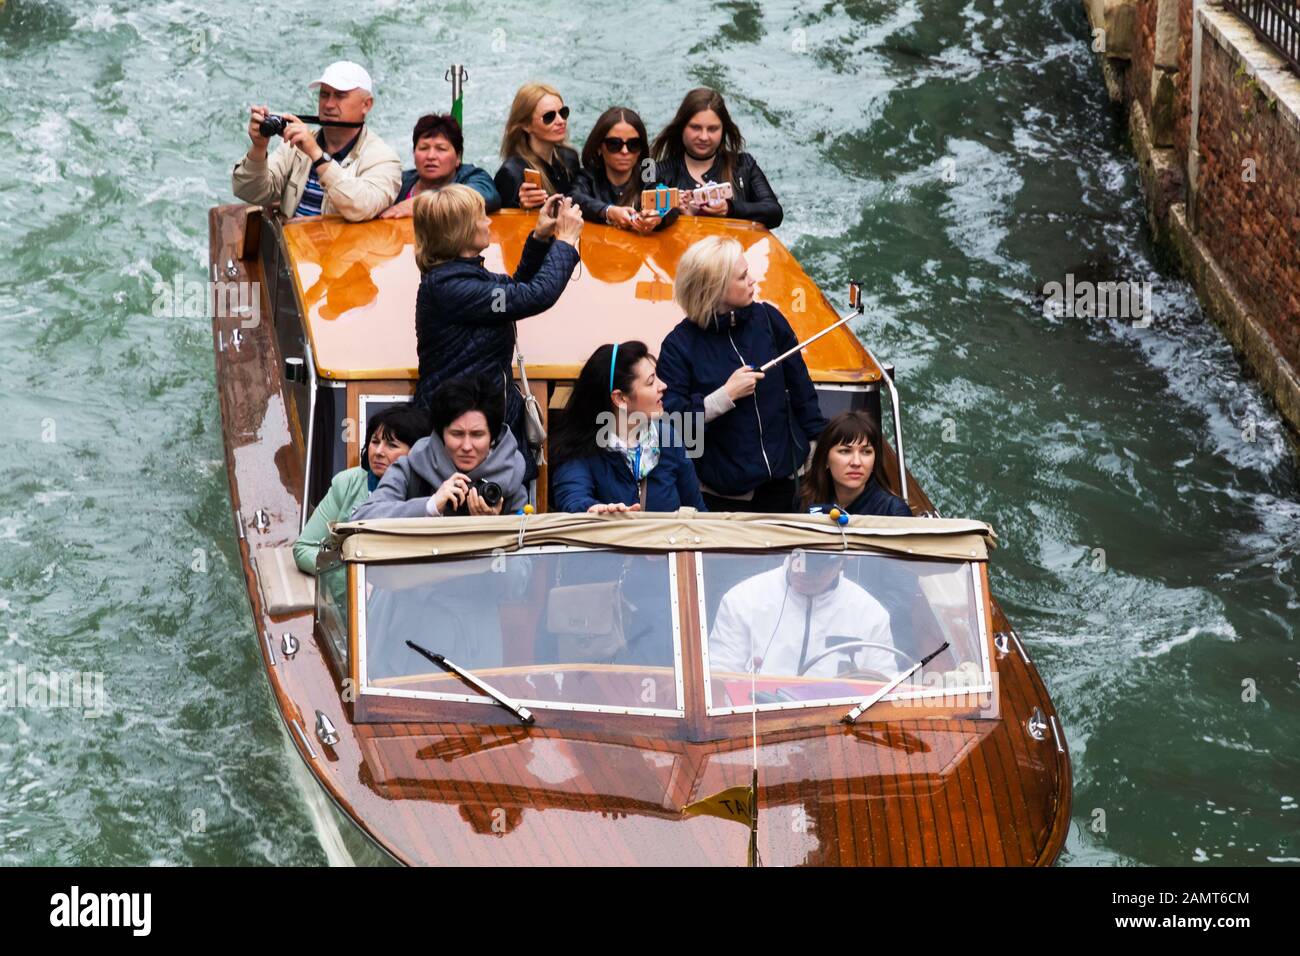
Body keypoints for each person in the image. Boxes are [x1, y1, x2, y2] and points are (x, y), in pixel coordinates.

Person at [411, 184, 583, 477]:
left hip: (481, 419)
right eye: (481, 217)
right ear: (462, 230)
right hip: (463, 431)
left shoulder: (462, 277)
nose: (489, 221)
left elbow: (516, 291)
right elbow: (534, 296)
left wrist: (541, 237)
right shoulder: (450, 288)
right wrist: (565, 241)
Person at [657, 236, 826, 512]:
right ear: (715, 288)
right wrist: (724, 396)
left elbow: (802, 390)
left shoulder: (770, 320)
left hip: (789, 483)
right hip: (725, 497)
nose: (753, 280)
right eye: (743, 276)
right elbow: (673, 429)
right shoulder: (678, 347)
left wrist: (819, 450)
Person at [233, 60, 402, 222]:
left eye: (340, 96)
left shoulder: (384, 158)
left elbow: (361, 207)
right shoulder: (294, 147)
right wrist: (259, 148)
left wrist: (316, 155)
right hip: (291, 249)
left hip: (342, 251)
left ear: (366, 104)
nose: (328, 104)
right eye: (324, 95)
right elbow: (249, 192)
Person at [551, 341, 707, 514]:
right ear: (620, 398)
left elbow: (698, 512)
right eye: (651, 382)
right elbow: (573, 500)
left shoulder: (668, 437)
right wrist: (593, 510)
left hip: (665, 541)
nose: (663, 386)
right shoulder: (578, 448)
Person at [351, 374, 529, 519]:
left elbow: (523, 561)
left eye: (477, 435)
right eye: (457, 434)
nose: (467, 446)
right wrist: (431, 505)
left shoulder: (511, 480)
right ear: (440, 435)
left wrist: (495, 529)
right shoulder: (410, 469)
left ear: (493, 438)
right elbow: (361, 518)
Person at [708, 552, 897, 678]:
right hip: (756, 724)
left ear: (842, 562)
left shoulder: (871, 614)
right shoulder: (742, 599)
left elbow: (884, 685)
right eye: (800, 562)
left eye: (816, 568)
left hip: (838, 729)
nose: (804, 573)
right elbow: (718, 674)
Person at [293, 404, 430, 572]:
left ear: (417, 452)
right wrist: (353, 578)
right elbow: (304, 548)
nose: (379, 451)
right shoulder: (348, 483)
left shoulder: (433, 493)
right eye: (375, 442)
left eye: (392, 445)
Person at [649, 88, 782, 229]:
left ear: (723, 130)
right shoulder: (658, 173)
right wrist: (676, 211)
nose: (703, 137)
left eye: (712, 129)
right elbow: (645, 216)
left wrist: (729, 208)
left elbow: (774, 213)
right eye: (695, 127)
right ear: (681, 128)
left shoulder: (744, 165)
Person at [570, 107, 676, 233]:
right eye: (614, 144)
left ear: (641, 149)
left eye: (633, 144)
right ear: (599, 147)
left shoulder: (648, 174)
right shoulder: (588, 176)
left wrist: (658, 218)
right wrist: (608, 212)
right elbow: (573, 198)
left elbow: (671, 206)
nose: (624, 151)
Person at [380, 112, 501, 218]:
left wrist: (423, 204)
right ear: (413, 153)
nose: (431, 156)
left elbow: (487, 196)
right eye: (423, 148)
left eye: (441, 149)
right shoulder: (399, 182)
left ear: (458, 157)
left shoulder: (473, 176)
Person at [799, 411, 911, 517]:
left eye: (866, 452)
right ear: (825, 459)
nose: (856, 462)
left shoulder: (893, 511)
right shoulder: (805, 499)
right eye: (845, 451)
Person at [494, 83, 582, 210]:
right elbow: (501, 224)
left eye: (563, 113)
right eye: (549, 117)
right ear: (526, 125)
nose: (561, 121)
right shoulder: (512, 173)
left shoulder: (569, 157)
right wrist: (520, 206)